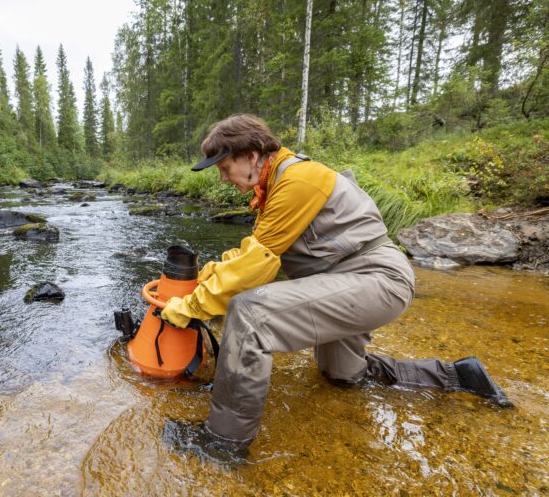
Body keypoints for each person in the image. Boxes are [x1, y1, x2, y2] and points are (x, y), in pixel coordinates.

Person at [160, 114, 511, 460]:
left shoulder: (297, 180)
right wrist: (205, 275)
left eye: (224, 167)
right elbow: (253, 248)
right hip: (345, 280)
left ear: (251, 155)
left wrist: (191, 308)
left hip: (378, 279)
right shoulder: (275, 184)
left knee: (250, 313)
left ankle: (223, 443)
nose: (223, 178)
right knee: (342, 374)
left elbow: (258, 263)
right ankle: (457, 376)